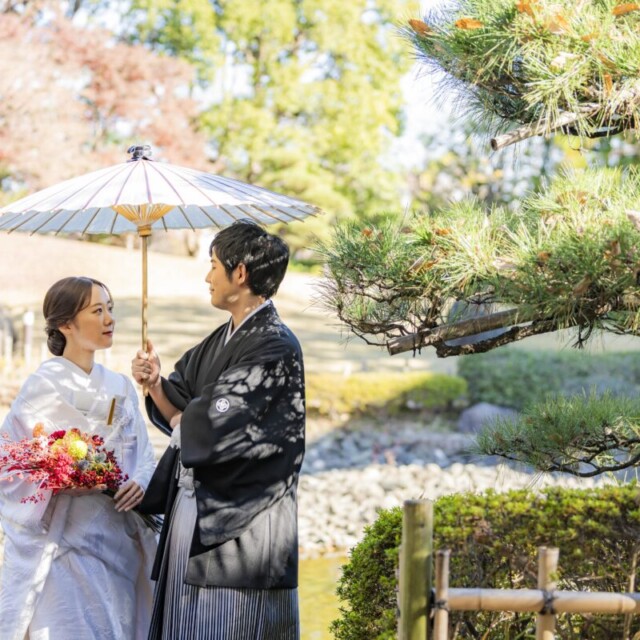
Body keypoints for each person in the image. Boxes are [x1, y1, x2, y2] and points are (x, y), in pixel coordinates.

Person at [132, 220, 305, 640]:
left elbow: (214, 421)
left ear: (239, 273)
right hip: (193, 513)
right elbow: (182, 403)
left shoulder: (276, 344)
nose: (207, 276)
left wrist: (185, 419)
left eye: (213, 265)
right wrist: (155, 385)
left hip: (242, 524)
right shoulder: (222, 338)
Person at [0, 276, 157, 640]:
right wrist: (59, 479)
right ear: (66, 324)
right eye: (97, 311)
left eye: (110, 309)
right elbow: (9, 463)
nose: (109, 319)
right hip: (61, 542)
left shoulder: (120, 385)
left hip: (115, 534)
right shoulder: (42, 387)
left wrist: (139, 482)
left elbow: (145, 455)